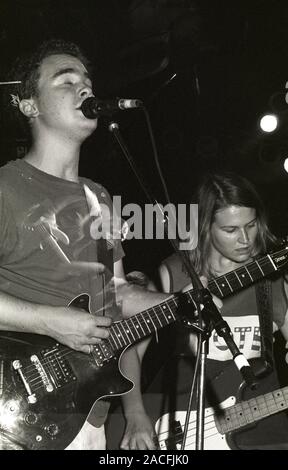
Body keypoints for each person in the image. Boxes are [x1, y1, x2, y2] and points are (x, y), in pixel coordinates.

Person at [0, 38, 173, 450]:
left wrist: (189, 302)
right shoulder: (5, 188)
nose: (85, 88)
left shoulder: (100, 199)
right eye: (66, 80)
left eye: (87, 81)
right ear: (30, 105)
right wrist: (48, 320)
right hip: (16, 407)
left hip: (89, 413)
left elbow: (116, 297)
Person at [147, 172, 288, 450]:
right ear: (205, 227)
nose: (246, 239)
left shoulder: (272, 278)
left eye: (251, 225)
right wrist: (136, 414)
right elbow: (129, 350)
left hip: (264, 431)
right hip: (180, 427)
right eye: (231, 230)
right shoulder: (174, 273)